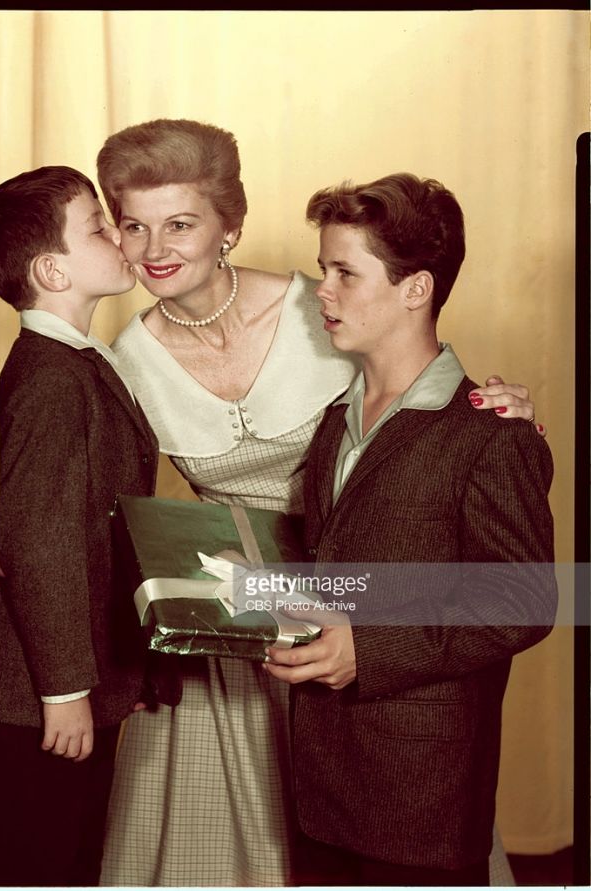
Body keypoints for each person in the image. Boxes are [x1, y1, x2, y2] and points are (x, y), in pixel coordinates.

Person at [0, 120, 538, 886]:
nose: (153, 248)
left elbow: (422, 416)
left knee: (389, 830)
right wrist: (4, 528)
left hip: (359, 613)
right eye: (131, 225)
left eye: (180, 223)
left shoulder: (328, 307)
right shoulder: (119, 359)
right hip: (226, 629)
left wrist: (505, 409)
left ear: (229, 226)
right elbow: (69, 486)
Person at [264, 172, 557, 886]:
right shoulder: (336, 419)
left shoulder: (492, 433)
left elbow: (525, 602)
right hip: (320, 785)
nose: (321, 291)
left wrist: (368, 647)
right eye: (322, 270)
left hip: (422, 798)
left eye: (345, 273)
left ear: (416, 289)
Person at [0, 165, 166, 886]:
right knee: (27, 862)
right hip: (36, 684)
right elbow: (38, 538)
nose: (121, 238)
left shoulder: (73, 360)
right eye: (99, 228)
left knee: (68, 856)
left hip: (70, 668)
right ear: (52, 271)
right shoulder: (51, 374)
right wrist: (65, 690)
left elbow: (79, 519)